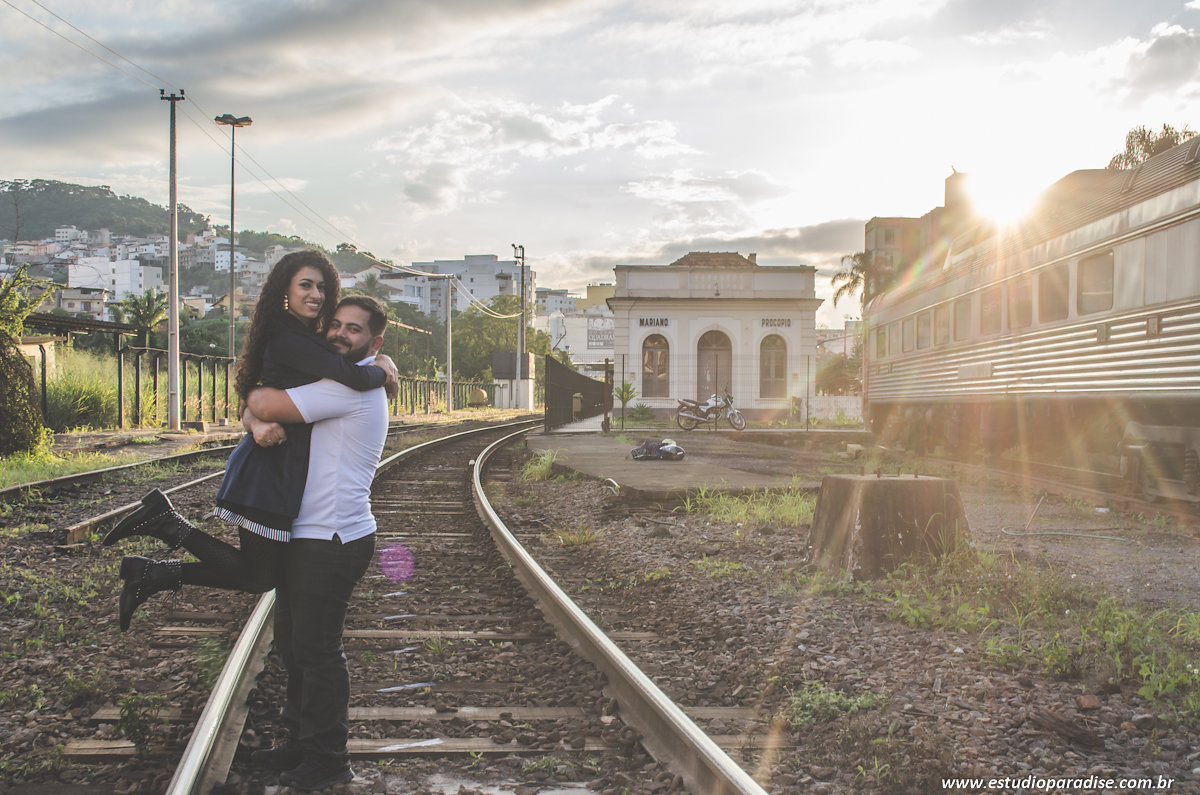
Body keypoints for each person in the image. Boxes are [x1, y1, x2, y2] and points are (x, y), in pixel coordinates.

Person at [104, 250, 398, 631]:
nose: (316, 295)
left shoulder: (305, 337)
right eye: (305, 285)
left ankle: (153, 570)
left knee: (261, 575)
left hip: (276, 473)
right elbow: (351, 378)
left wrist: (380, 358)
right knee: (259, 577)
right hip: (266, 473)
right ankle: (165, 529)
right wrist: (383, 370)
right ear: (285, 290)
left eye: (322, 287)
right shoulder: (289, 335)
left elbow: (257, 391)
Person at [242, 295, 390, 790]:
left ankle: (328, 759)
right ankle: (300, 741)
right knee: (293, 643)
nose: (340, 335)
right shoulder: (342, 380)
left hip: (331, 537)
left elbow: (262, 400)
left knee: (318, 650)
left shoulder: (344, 388)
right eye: (336, 325)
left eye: (354, 329)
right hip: (310, 533)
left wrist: (257, 407)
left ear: (374, 341)